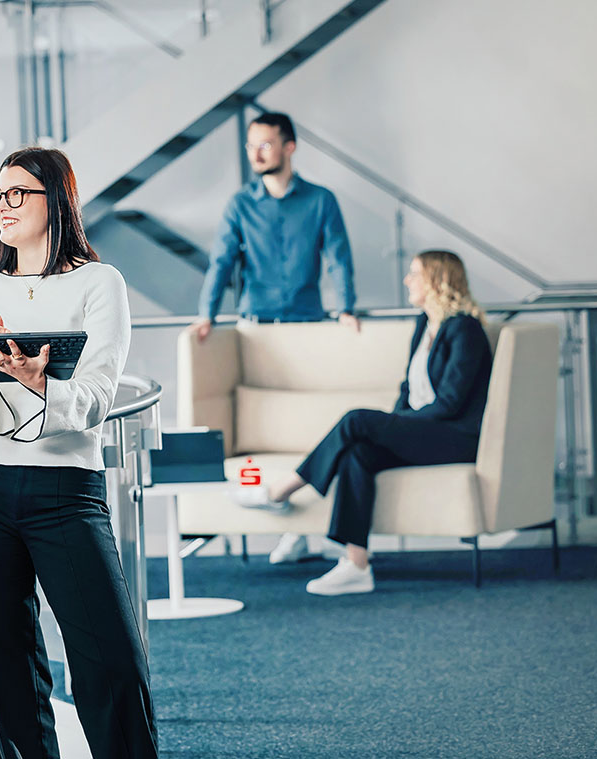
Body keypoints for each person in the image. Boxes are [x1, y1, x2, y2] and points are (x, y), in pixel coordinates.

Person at [0, 147, 158, 759]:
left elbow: (96, 397)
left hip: (66, 490)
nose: (2, 206)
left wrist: (37, 389)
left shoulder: (99, 283)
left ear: (55, 200)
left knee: (111, 662)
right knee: (7, 664)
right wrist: (30, 397)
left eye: (16, 194)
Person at [241, 250, 493, 595]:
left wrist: (396, 424)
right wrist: (396, 425)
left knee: (356, 420)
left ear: (438, 280)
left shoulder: (465, 329)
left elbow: (450, 403)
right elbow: (409, 389)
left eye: (415, 274)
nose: (407, 280)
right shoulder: (424, 324)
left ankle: (280, 491)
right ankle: (356, 565)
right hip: (423, 431)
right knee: (357, 452)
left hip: (456, 437)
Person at [193, 110, 359, 564]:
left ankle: (310, 524)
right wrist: (206, 315)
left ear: (289, 147)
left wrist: (346, 308)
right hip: (256, 328)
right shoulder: (239, 205)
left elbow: (339, 256)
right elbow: (221, 262)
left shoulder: (321, 200)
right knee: (264, 428)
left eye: (265, 144)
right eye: (251, 146)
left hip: (307, 326)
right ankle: (290, 528)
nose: (256, 153)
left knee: (305, 426)